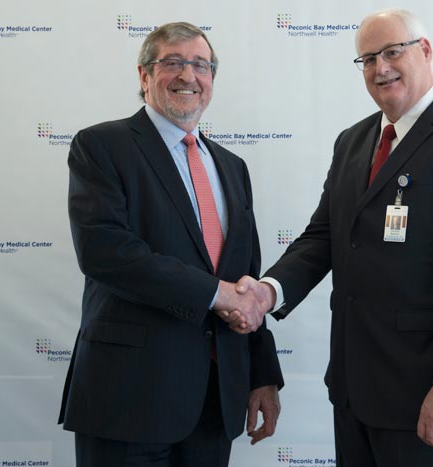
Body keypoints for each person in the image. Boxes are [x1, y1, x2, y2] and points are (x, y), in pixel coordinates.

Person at [226, 8, 433, 467]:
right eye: (367, 59)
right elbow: (323, 237)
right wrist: (268, 292)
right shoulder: (353, 141)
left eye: (391, 52)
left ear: (424, 51)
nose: (380, 67)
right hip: (357, 394)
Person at [58, 21, 283, 467]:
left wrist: (262, 375)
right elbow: (105, 251)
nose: (188, 75)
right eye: (173, 62)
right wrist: (215, 293)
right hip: (129, 397)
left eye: (201, 65)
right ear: (144, 77)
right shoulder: (102, 145)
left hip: (215, 401)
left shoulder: (232, 166)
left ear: (212, 80)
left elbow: (246, 277)